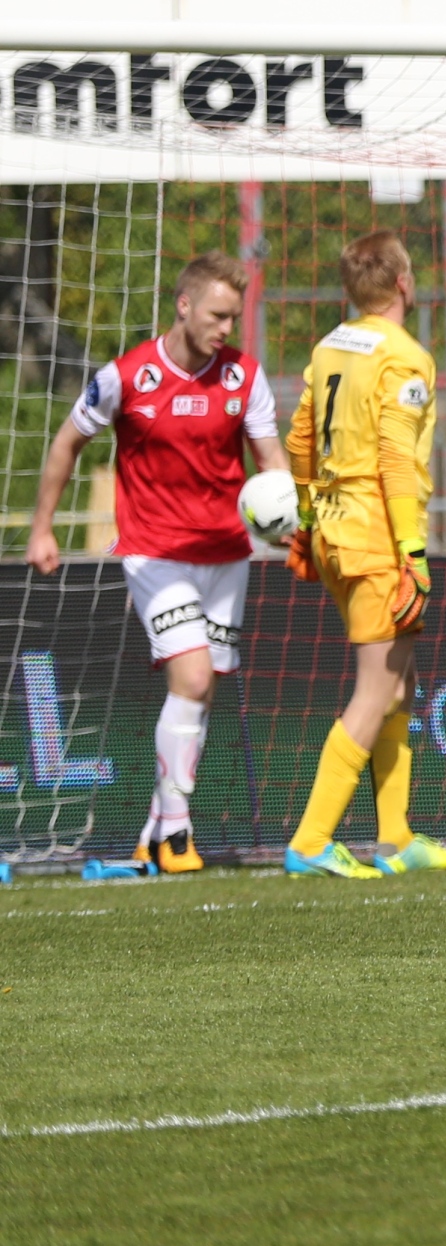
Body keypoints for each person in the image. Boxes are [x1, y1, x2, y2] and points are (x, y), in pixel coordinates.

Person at [27, 252, 287, 878]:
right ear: (185, 305)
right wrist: (42, 527)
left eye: (235, 317)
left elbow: (271, 462)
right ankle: (175, 833)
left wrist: (289, 518)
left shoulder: (244, 378)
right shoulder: (126, 377)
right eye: (218, 315)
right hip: (154, 553)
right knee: (192, 679)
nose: (227, 328)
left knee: (200, 694)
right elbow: (67, 442)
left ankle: (153, 830)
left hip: (227, 556)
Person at [278, 232, 446, 879]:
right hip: (376, 536)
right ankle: (309, 840)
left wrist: (305, 519)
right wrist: (413, 552)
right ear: (405, 285)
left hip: (332, 531)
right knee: (377, 688)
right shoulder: (406, 358)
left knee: (401, 682)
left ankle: (396, 837)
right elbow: (394, 458)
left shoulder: (331, 345)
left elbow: (300, 439)